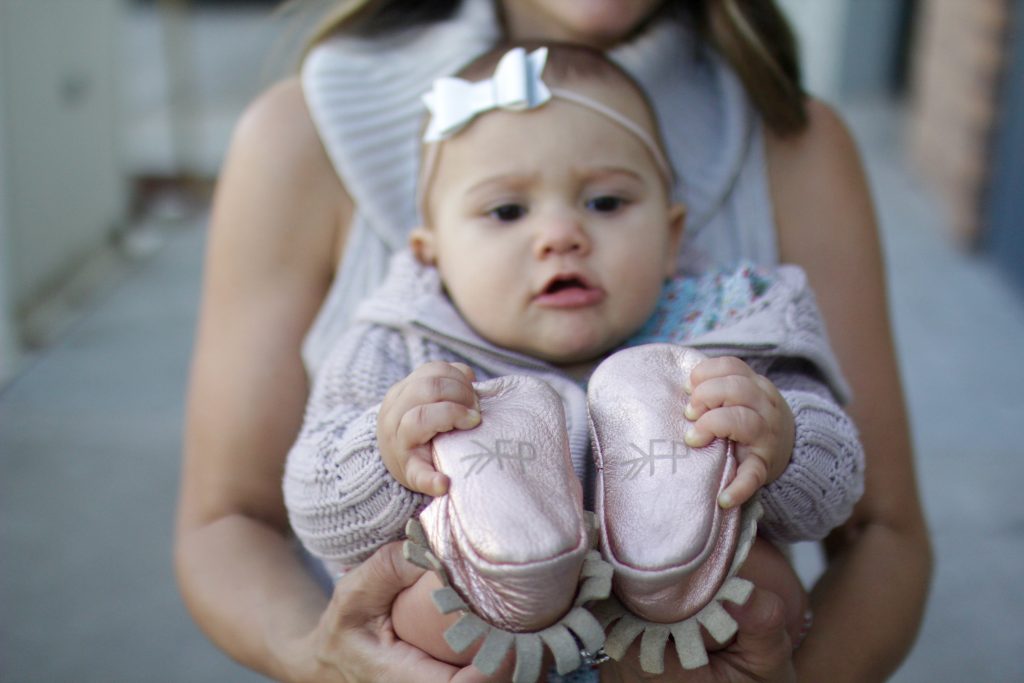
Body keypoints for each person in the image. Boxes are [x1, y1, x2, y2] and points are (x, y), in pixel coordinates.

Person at [174, 1, 932, 682]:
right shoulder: (400, 329)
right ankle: (514, 556)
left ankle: (663, 567)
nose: (561, 236)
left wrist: (782, 436)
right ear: (426, 251)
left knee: (758, 583)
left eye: (606, 201)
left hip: (685, 630)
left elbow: (872, 516)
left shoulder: (731, 307)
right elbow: (241, 512)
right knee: (424, 591)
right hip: (469, 615)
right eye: (505, 211)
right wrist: (322, 647)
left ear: (674, 233)